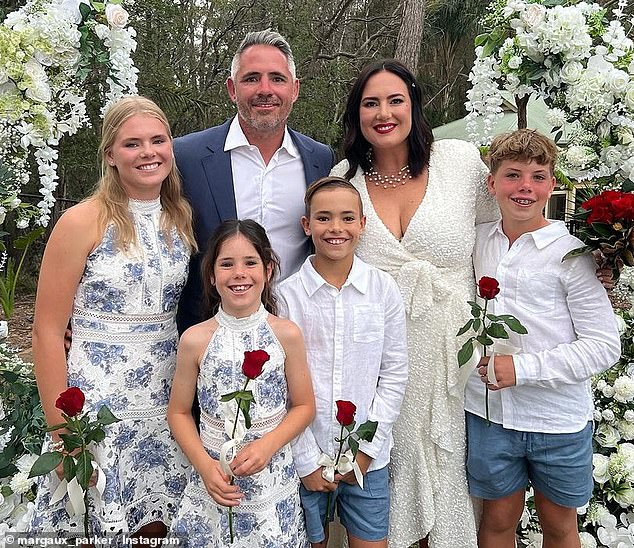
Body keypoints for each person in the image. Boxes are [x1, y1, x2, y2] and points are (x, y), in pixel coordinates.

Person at [331, 59, 500, 548]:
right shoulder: (344, 178)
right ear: (356, 114)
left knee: (452, 467)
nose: (383, 113)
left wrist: (581, 259)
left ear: (414, 106)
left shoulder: (460, 162)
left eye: (395, 100)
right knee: (388, 462)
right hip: (379, 353)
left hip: (454, 349)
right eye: (370, 103)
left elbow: (507, 224)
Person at [30, 96, 197, 538]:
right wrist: (62, 432)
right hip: (99, 403)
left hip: (165, 398)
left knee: (155, 524)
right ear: (110, 154)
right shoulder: (82, 221)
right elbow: (47, 330)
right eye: (132, 144)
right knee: (92, 522)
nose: (148, 153)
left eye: (158, 141)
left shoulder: (180, 218)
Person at [465, 129, 621, 548]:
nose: (525, 188)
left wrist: (523, 368)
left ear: (553, 184)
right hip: (490, 416)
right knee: (496, 522)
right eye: (513, 175)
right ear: (492, 182)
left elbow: (604, 345)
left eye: (538, 176)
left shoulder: (573, 254)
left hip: (556, 420)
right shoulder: (476, 241)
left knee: (559, 525)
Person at [174, 29, 336, 333]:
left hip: (296, 332)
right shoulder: (186, 156)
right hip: (208, 336)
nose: (265, 89)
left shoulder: (320, 159)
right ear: (232, 89)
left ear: (294, 89)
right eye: (251, 79)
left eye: (277, 78)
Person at [167, 219, 315, 547]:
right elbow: (178, 412)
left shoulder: (286, 334)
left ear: (268, 270)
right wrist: (204, 467)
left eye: (250, 263)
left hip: (271, 479)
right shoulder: (195, 339)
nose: (239, 273)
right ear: (211, 275)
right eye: (226, 264)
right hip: (213, 481)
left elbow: (304, 407)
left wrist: (268, 445)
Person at [278, 177, 408, 548]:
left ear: (363, 224)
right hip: (303, 455)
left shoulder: (383, 289)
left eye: (348, 218)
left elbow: (394, 373)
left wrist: (367, 449)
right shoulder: (286, 296)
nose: (336, 228)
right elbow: (281, 384)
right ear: (307, 225)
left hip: (368, 459)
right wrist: (305, 460)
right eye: (323, 218)